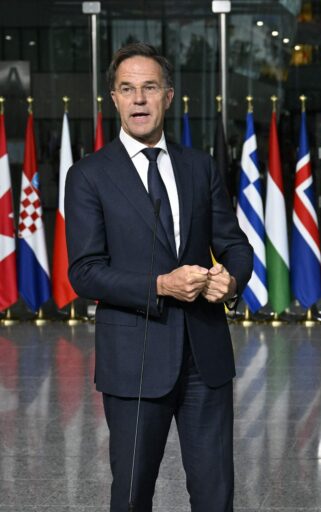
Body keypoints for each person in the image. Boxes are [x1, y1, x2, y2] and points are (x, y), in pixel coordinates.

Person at [65, 42, 253, 511]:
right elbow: (85, 272)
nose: (139, 99)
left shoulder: (199, 167)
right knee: (132, 497)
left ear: (168, 96)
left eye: (149, 87)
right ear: (114, 98)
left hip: (205, 358)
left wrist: (231, 281)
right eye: (127, 89)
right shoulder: (88, 175)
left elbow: (235, 245)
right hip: (134, 361)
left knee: (215, 497)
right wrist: (159, 286)